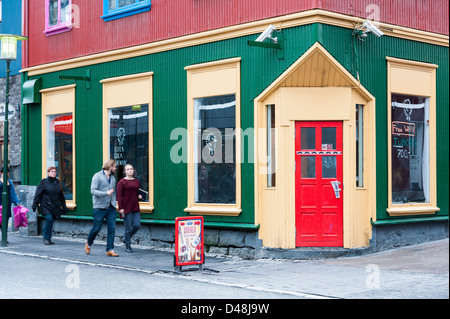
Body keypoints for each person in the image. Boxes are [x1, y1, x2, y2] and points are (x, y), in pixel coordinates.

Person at [85, 159, 119, 257]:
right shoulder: (97, 176)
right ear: (110, 167)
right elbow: (93, 191)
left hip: (111, 207)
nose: (116, 168)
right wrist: (105, 193)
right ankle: (89, 243)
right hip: (99, 207)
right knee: (97, 228)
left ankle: (110, 249)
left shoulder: (113, 178)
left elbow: (114, 192)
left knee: (112, 228)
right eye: (115, 166)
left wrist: (115, 203)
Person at [31, 167, 68, 245]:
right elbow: (38, 194)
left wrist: (64, 206)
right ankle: (46, 238)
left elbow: (61, 195)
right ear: (48, 173)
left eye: (55, 172)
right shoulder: (44, 182)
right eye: (52, 171)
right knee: (49, 219)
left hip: (55, 206)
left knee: (51, 221)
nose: (53, 173)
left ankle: (48, 238)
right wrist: (35, 205)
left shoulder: (57, 182)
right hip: (45, 206)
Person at [117, 164, 142, 253]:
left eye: (131, 169)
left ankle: (126, 238)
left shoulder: (136, 181)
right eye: (128, 169)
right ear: (125, 171)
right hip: (125, 207)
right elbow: (119, 196)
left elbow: (137, 192)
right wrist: (121, 208)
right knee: (127, 227)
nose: (130, 170)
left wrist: (139, 196)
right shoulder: (122, 182)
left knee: (137, 225)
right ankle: (128, 245)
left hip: (135, 206)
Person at [0, 167, 22, 234]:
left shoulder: (9, 182)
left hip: (6, 205)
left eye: (8, 172)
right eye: (5, 172)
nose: (7, 174)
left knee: (5, 222)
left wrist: (16, 202)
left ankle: (4, 238)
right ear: (1, 173)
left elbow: (13, 194)